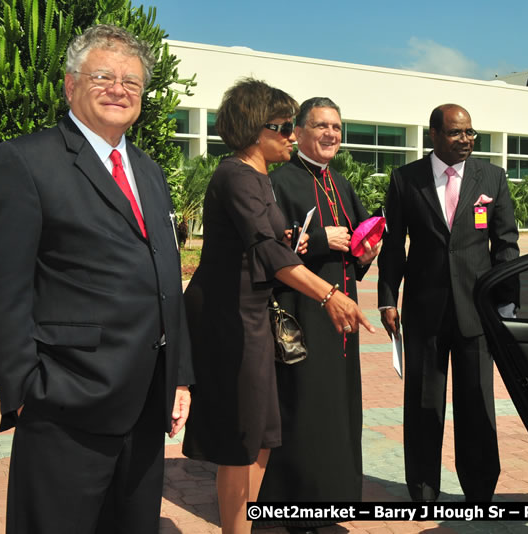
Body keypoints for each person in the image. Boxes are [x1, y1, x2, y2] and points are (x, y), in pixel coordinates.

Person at [0, 24, 193, 533]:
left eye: (132, 82)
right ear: (69, 84)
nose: (118, 89)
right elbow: (2, 286)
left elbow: (167, 278)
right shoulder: (24, 161)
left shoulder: (148, 170)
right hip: (66, 402)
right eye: (103, 76)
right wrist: (23, 387)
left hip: (147, 403)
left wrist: (180, 374)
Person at [181, 79, 374, 534]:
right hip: (233, 323)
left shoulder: (260, 178)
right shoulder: (236, 175)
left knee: (262, 436)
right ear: (254, 128)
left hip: (256, 321)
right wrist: (329, 294)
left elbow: (273, 242)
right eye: (284, 126)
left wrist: (298, 241)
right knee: (241, 443)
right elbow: (267, 252)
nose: (290, 134)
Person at [377, 104, 520, 502]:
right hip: (425, 311)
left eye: (470, 133)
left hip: (478, 312)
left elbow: (506, 245)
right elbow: (393, 246)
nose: (466, 140)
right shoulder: (406, 179)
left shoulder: (491, 177)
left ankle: (479, 491)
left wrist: (506, 306)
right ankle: (423, 489)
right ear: (434, 136)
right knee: (424, 403)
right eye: (457, 133)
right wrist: (388, 298)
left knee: (477, 403)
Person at [255, 97, 380, 532]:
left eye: (338, 128)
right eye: (322, 126)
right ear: (300, 131)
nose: (332, 135)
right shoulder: (279, 182)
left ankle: (333, 501)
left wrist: (366, 250)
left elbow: (359, 239)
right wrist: (322, 240)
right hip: (304, 315)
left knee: (339, 409)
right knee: (305, 408)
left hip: (341, 321)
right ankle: (297, 506)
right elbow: (273, 249)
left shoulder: (341, 183)